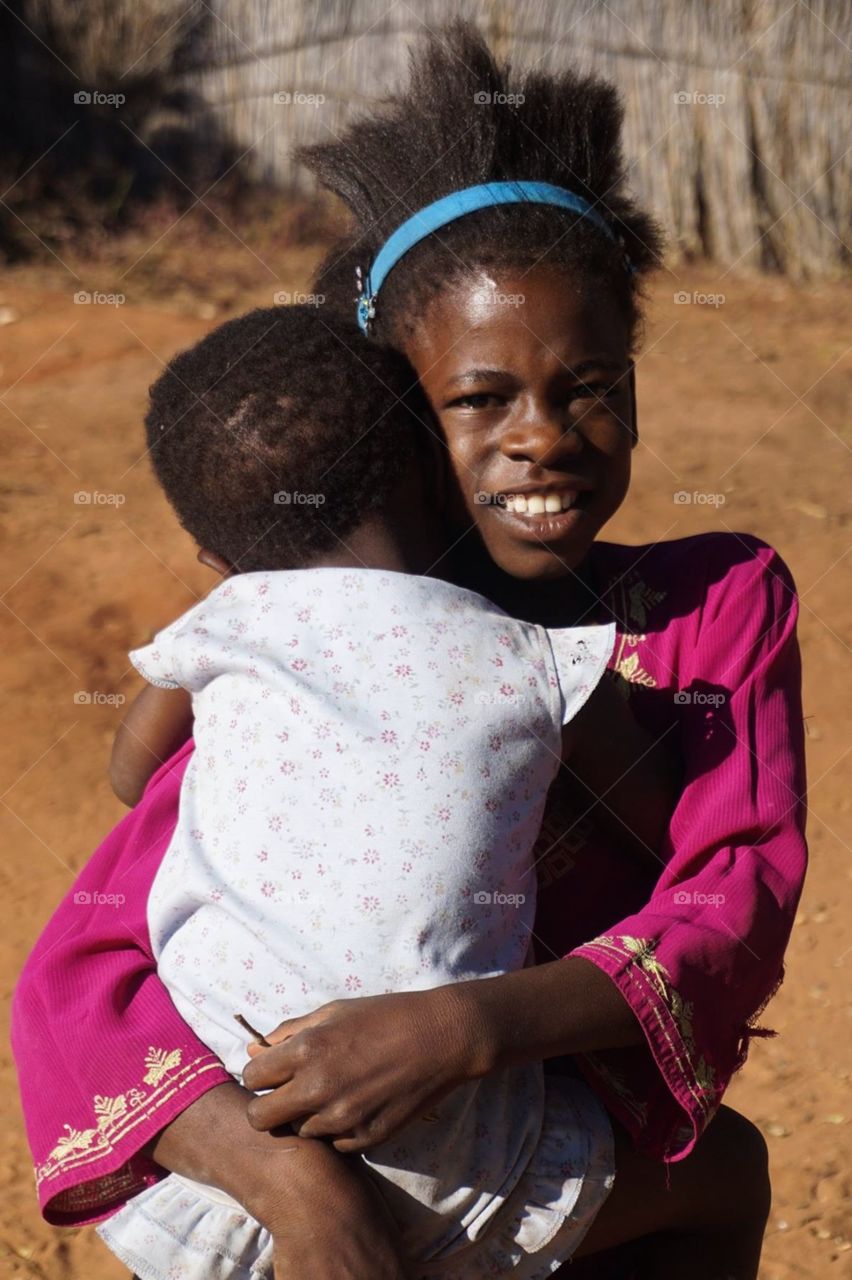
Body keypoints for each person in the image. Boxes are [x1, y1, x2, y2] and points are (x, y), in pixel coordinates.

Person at [12, 21, 806, 1280]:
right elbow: (89, 966)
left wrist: (461, 1027)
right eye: (480, 398)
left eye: (591, 381)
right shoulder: (304, 645)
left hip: (526, 1110)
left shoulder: (711, 604)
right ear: (398, 418)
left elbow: (734, 897)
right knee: (725, 1181)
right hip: (291, 1166)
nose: (544, 435)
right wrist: (294, 1188)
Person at [94, 302, 686, 1280]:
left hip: (211, 1169)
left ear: (214, 558)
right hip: (466, 1181)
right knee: (728, 1177)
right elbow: (665, 822)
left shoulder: (220, 621)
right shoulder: (530, 657)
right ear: (427, 468)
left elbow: (129, 774)